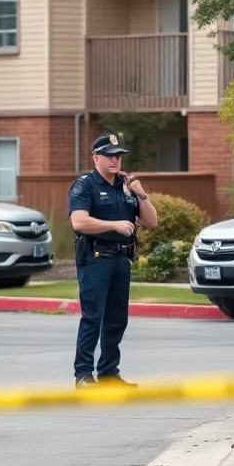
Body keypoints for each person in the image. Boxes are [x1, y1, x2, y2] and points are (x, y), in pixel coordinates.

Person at [68, 133, 158, 388]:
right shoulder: (85, 185)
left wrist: (141, 195)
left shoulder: (125, 187)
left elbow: (152, 222)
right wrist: (114, 225)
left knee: (117, 319)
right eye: (109, 155)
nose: (115, 160)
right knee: (93, 317)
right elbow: (79, 221)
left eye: (118, 156)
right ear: (96, 157)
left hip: (121, 260)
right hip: (95, 258)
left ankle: (109, 372)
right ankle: (83, 375)